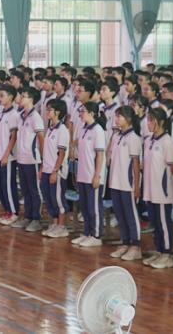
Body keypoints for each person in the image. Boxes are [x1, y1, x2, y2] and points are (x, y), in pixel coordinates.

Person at [142, 107, 173, 269]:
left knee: (164, 222)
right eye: (147, 119)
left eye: (151, 120)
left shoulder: (167, 141)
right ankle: (159, 250)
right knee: (155, 222)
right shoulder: (148, 141)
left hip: (163, 191)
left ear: (161, 122)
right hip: (150, 189)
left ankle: (167, 254)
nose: (148, 123)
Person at [108, 106, 143, 261]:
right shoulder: (117, 136)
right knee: (119, 214)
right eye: (116, 116)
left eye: (119, 116)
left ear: (128, 119)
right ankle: (125, 242)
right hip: (115, 181)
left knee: (130, 215)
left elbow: (136, 164)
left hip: (127, 184)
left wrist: (137, 186)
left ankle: (136, 245)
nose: (116, 119)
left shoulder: (133, 138)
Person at [72, 102, 106, 247]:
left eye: (83, 111)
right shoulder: (83, 129)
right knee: (85, 207)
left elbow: (100, 155)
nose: (80, 114)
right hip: (82, 174)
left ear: (92, 113)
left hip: (92, 175)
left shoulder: (98, 130)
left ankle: (96, 235)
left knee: (94, 208)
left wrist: (97, 175)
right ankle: (87, 233)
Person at [14, 86, 44, 232]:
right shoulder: (21, 116)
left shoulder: (35, 117)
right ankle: (27, 216)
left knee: (34, 190)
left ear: (31, 99)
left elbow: (41, 139)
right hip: (21, 158)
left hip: (33, 160)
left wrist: (43, 161)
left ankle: (36, 218)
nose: (21, 98)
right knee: (25, 190)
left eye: (24, 96)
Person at [40, 99, 70, 238]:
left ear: (57, 112)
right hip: (46, 168)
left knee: (58, 199)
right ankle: (54, 223)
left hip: (56, 171)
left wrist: (55, 171)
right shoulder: (50, 129)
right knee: (48, 197)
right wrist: (42, 167)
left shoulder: (62, 130)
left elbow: (61, 154)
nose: (47, 112)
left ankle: (62, 226)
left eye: (50, 110)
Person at [0, 85, 20, 225]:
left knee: (8, 185)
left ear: (10, 97)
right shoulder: (1, 112)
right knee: (0, 185)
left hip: (8, 157)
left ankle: (13, 212)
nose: (0, 97)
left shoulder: (14, 115)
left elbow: (13, 137)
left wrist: (6, 155)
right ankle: (6, 211)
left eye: (2, 95)